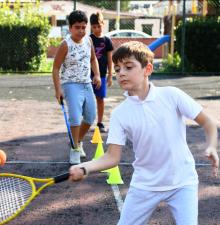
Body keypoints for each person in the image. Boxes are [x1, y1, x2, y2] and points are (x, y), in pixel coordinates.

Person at [69, 41, 219, 225]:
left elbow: (208, 122)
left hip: (183, 182)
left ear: (147, 69)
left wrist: (211, 146)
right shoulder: (119, 114)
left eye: (128, 67)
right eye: (117, 69)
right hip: (145, 185)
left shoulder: (172, 95)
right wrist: (85, 168)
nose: (121, 73)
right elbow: (112, 157)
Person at [52, 10, 101, 165]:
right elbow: (55, 68)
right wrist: (58, 89)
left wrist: (97, 75)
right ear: (70, 28)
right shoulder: (65, 45)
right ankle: (74, 149)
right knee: (75, 117)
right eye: (77, 27)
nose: (81, 30)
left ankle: (78, 141)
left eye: (83, 27)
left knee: (90, 116)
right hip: (70, 85)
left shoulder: (88, 41)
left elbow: (93, 59)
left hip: (87, 83)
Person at [89, 12, 114, 133]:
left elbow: (110, 59)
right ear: (91, 27)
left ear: (103, 24)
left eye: (99, 26)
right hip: (88, 75)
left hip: (102, 75)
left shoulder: (107, 41)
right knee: (86, 99)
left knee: (100, 98)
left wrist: (110, 75)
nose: (97, 29)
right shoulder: (88, 40)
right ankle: (86, 121)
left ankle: (99, 122)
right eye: (94, 27)